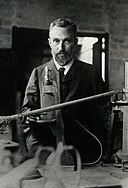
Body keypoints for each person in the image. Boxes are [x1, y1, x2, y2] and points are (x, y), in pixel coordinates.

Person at [21, 18, 109, 164]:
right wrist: (28, 116)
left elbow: (105, 116)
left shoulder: (90, 73)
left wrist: (113, 147)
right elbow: (27, 109)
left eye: (66, 41)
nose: (61, 47)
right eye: (56, 41)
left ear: (75, 42)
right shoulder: (38, 73)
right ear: (50, 42)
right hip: (45, 152)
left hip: (82, 153)